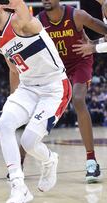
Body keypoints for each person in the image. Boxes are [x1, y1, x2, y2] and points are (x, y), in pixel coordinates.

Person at [0, 0, 72, 202]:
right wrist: (14, 99)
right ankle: (19, 187)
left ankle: (49, 160)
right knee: (4, 123)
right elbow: (14, 69)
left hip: (54, 87)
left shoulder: (22, 21)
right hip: (28, 88)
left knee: (29, 142)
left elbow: (18, 3)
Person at [34, 0, 107, 183]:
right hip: (56, 68)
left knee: (78, 98)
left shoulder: (77, 15)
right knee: (34, 104)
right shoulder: (37, 21)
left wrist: (93, 45)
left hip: (80, 62)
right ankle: (18, 162)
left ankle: (91, 161)